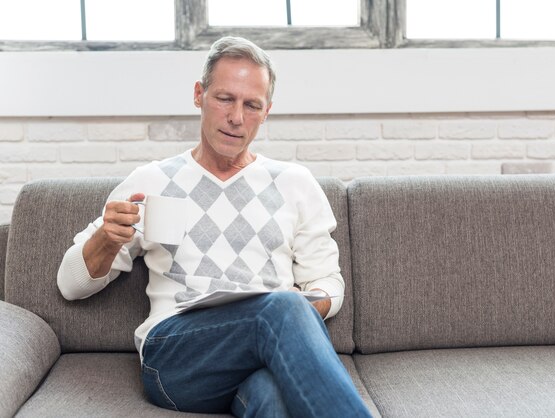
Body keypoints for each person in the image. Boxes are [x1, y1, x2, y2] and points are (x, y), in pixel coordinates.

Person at [57, 36, 372, 417]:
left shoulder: (295, 183)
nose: (237, 117)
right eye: (225, 98)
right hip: (176, 357)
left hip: (261, 355)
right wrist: (106, 239)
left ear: (266, 111)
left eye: (251, 105)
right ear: (198, 95)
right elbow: (70, 286)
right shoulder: (153, 181)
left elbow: (328, 282)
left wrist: (311, 304)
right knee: (283, 309)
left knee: (272, 398)